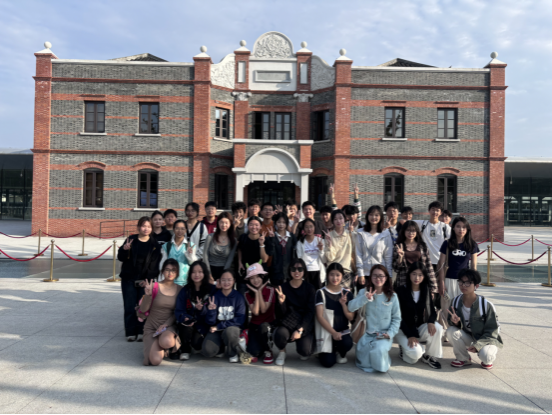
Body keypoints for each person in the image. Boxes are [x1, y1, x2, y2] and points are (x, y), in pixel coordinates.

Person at [347, 265, 401, 373]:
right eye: (375, 276)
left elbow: (396, 318)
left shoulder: (392, 296)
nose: (378, 278)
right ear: (370, 277)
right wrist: (365, 298)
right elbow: (350, 307)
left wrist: (390, 333)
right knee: (364, 363)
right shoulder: (363, 292)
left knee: (378, 353)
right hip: (365, 334)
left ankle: (384, 358)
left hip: (383, 335)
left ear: (386, 277)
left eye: (381, 276)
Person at [446, 269, 503, 370]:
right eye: (461, 282)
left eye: (468, 283)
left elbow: (493, 331)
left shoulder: (485, 305)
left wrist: (478, 345)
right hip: (469, 337)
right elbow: (453, 323)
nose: (463, 285)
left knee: (486, 357)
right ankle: (463, 358)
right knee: (451, 331)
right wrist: (456, 322)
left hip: (486, 339)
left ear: (476, 286)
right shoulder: (455, 301)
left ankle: (486, 354)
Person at [118, 216, 162, 342]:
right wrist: (124, 250)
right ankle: (130, 332)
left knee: (144, 307)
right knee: (130, 306)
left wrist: (147, 279)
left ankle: (141, 331)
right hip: (129, 279)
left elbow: (154, 265)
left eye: (148, 226)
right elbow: (121, 257)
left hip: (145, 281)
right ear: (138, 227)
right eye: (143, 226)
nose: (146, 229)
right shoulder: (131, 240)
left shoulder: (154, 244)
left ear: (151, 228)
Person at [395, 262, 443, 369]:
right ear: (409, 275)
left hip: (418, 328)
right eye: (414, 274)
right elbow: (398, 317)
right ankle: (404, 349)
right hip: (403, 329)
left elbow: (432, 311)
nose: (417, 278)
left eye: (420, 275)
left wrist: (430, 321)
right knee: (413, 358)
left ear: (424, 276)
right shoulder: (400, 291)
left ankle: (429, 356)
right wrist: (409, 335)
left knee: (438, 327)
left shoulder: (425, 290)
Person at [436, 216, 479, 333]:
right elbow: (441, 265)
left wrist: (474, 282)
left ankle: (462, 331)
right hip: (449, 280)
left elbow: (474, 266)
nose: (461, 229)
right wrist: (441, 283)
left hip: (464, 282)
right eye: (458, 226)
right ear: (453, 228)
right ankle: (446, 332)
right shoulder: (447, 243)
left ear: (467, 229)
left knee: (463, 307)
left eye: (464, 227)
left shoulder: (472, 244)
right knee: (447, 307)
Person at [139, 259, 183, 366]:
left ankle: (164, 344)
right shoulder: (154, 286)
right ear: (162, 271)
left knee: (167, 342)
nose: (170, 273)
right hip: (151, 326)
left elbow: (177, 312)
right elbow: (143, 310)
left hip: (167, 326)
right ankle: (158, 344)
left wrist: (166, 324)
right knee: (155, 361)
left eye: (173, 270)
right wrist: (148, 296)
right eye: (167, 270)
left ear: (177, 273)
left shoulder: (180, 290)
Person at [273, 258, 316, 366]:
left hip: (303, 322)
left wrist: (300, 330)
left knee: (305, 352)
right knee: (280, 334)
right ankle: (282, 351)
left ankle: (302, 344)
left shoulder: (310, 288)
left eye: (300, 269)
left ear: (304, 271)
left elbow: (310, 312)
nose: (297, 272)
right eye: (293, 269)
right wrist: (281, 303)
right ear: (289, 270)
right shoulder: (283, 288)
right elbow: (280, 314)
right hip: (287, 322)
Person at [203, 270, 250, 363]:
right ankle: (220, 348)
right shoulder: (215, 297)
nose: (226, 282)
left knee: (230, 331)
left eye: (229, 280)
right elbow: (210, 322)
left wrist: (219, 326)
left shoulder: (239, 297)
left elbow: (240, 320)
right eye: (223, 280)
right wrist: (211, 311)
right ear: (219, 281)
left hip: (232, 329)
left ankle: (233, 353)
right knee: (207, 351)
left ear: (234, 281)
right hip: (217, 330)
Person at [174, 260, 217, 360]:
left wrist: (202, 309)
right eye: (193, 272)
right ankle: (185, 350)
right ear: (190, 274)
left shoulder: (212, 289)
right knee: (185, 324)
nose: (197, 275)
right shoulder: (185, 290)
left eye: (200, 272)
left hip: (206, 325)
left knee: (200, 346)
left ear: (205, 273)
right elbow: (179, 310)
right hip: (190, 324)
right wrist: (185, 317)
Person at [315, 263, 355, 368]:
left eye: (338, 275)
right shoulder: (321, 292)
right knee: (328, 363)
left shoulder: (347, 294)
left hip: (342, 333)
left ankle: (339, 351)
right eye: (332, 274)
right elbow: (319, 316)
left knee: (347, 343)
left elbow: (351, 317)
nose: (335, 278)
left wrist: (343, 305)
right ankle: (325, 351)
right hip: (327, 332)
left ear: (342, 276)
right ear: (327, 275)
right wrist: (333, 333)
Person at [244, 263, 276, 364]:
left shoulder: (270, 290)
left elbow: (263, 310)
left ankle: (268, 350)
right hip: (254, 325)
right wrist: (257, 292)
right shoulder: (247, 293)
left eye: (258, 276)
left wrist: (259, 292)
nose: (255, 280)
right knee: (253, 353)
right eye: (252, 278)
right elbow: (256, 312)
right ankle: (250, 338)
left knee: (264, 327)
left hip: (268, 324)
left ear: (263, 277)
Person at [392, 220, 437, 293]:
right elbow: (396, 269)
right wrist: (400, 257)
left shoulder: (422, 246)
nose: (410, 233)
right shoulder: (398, 246)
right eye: (408, 230)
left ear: (417, 232)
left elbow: (428, 266)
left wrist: (433, 286)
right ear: (403, 231)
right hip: (403, 280)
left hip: (419, 280)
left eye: (413, 231)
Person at [355, 206, 393, 288]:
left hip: (380, 275)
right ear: (367, 216)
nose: (373, 217)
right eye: (371, 214)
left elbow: (388, 256)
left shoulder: (386, 233)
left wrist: (389, 275)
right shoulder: (360, 233)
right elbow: (358, 254)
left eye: (376, 215)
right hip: (364, 274)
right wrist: (360, 273)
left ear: (381, 217)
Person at [413, 201, 451, 273]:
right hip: (425, 261)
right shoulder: (422, 224)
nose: (435, 212)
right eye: (433, 209)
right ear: (429, 210)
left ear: (441, 212)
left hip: (440, 261)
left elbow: (454, 239)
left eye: (437, 210)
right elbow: (405, 222)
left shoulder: (445, 227)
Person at [324, 209, 356, 290]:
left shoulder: (350, 234)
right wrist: (330, 245)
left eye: (340, 218)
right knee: (332, 295)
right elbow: (330, 258)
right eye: (335, 219)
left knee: (345, 296)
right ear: (332, 221)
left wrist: (358, 272)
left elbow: (355, 253)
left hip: (346, 271)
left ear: (344, 219)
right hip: (332, 271)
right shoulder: (329, 236)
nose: (338, 221)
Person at [159, 219, 198, 286]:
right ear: (173, 230)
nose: (180, 231)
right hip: (170, 282)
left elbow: (193, 263)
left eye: (182, 229)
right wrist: (162, 281)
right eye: (177, 228)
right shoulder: (167, 246)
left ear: (186, 230)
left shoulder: (190, 245)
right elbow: (162, 265)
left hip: (185, 282)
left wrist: (190, 254)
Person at [203, 212, 238, 282]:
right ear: (218, 223)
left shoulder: (233, 240)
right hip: (209, 269)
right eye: (221, 222)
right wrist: (209, 274)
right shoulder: (210, 237)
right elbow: (205, 256)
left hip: (225, 271)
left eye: (226, 223)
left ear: (230, 224)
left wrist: (223, 276)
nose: (224, 225)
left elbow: (230, 260)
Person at [237, 216, 269, 292]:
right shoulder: (243, 237)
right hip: (245, 274)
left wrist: (261, 244)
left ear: (260, 227)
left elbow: (264, 259)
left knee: (260, 296)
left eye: (256, 225)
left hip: (260, 276)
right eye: (251, 225)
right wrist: (239, 262)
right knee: (243, 295)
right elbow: (239, 249)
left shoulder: (265, 239)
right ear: (247, 226)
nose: (254, 227)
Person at [266, 212, 297, 286]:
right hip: (275, 273)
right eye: (279, 222)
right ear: (275, 223)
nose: (281, 224)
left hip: (289, 273)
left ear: (287, 224)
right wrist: (272, 239)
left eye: (283, 222)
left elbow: (295, 254)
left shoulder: (291, 237)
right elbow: (270, 253)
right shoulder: (271, 236)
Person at [296, 218, 327, 289]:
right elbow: (299, 260)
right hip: (306, 272)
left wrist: (321, 250)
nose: (309, 229)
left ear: (314, 227)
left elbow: (324, 260)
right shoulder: (300, 243)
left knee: (318, 293)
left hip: (318, 271)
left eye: (311, 226)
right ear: (303, 229)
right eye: (306, 227)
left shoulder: (321, 241)